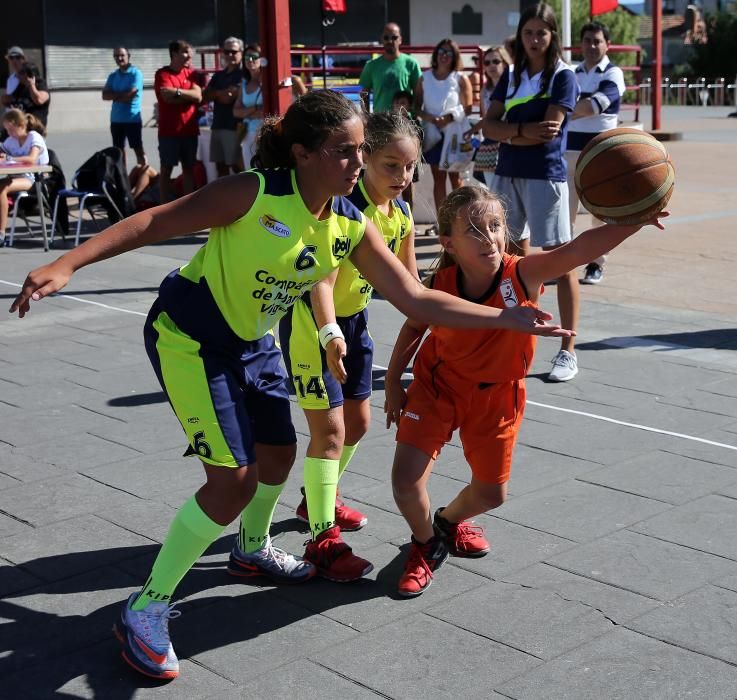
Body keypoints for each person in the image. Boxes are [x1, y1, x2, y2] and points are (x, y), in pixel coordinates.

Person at [10, 90, 570, 681]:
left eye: (360, 152)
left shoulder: (348, 222)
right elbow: (155, 220)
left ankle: (251, 550)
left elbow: (414, 295)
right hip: (191, 337)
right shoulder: (253, 192)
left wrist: (504, 316)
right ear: (302, 154)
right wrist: (68, 263)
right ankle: (145, 606)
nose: (357, 163)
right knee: (231, 485)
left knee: (278, 456)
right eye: (345, 152)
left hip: (254, 344)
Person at [384, 186, 667, 597]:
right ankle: (427, 544)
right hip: (437, 387)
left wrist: (633, 221)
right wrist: (393, 382)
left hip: (497, 395)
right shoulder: (438, 284)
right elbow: (414, 324)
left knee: (491, 494)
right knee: (405, 482)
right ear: (448, 242)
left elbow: (577, 251)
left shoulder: (523, 275)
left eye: (495, 226)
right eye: (475, 231)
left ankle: (446, 522)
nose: (490, 238)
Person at [278, 111, 421, 581]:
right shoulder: (346, 207)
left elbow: (411, 285)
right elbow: (323, 277)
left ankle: (316, 498)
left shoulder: (400, 215)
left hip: (355, 323)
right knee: (330, 433)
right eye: (391, 166)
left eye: (410, 167)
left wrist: (464, 295)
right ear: (367, 159)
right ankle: (321, 538)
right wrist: (328, 333)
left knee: (358, 424)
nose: (403, 177)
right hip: (315, 327)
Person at [482, 3, 581, 382]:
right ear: (520, 36)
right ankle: (515, 338)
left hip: (545, 175)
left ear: (552, 35)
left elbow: (550, 130)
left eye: (542, 32)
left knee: (561, 262)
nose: (535, 39)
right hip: (506, 173)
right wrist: (521, 133)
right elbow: (488, 127)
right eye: (528, 32)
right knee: (508, 260)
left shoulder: (562, 76)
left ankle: (568, 351)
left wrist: (508, 131)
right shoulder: (511, 73)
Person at [566, 21, 626, 285]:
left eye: (597, 41)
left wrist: (563, 107)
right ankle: (564, 265)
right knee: (564, 214)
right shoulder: (571, 73)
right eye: (587, 40)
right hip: (568, 152)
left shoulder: (614, 74)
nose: (591, 45)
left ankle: (596, 264)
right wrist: (569, 107)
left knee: (600, 215)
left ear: (607, 44)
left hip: (601, 154)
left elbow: (593, 107)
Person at [415, 38, 473, 222]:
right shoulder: (424, 78)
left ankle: (461, 220)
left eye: (448, 53)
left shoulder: (461, 78)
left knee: (456, 179)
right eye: (441, 52)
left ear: (455, 56)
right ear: (435, 55)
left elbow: (469, 107)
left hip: (454, 137)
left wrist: (449, 118)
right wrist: (432, 119)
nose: (444, 56)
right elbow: (417, 107)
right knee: (438, 178)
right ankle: (443, 222)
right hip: (433, 136)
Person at [154, 39, 202, 203]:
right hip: (169, 132)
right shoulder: (162, 74)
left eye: (190, 51)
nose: (189, 55)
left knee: (188, 168)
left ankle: (188, 207)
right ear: (174, 54)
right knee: (166, 169)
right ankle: (162, 207)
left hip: (189, 131)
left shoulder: (192, 73)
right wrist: (187, 96)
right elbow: (167, 98)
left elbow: (198, 96)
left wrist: (177, 93)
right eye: (185, 51)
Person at [464, 45, 512, 189]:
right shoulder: (486, 89)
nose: (491, 66)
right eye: (487, 62)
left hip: (511, 142)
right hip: (490, 145)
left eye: (496, 61)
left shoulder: (514, 86)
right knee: (493, 190)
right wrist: (472, 131)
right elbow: (487, 118)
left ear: (505, 62)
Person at [0, 108, 49, 246]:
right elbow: (2, 151)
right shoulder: (11, 140)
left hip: (35, 179)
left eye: (11, 130)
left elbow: (32, 159)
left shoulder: (34, 137)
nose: (9, 133)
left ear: (21, 125)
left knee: (2, 188)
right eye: (7, 130)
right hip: (17, 177)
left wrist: (9, 157)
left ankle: (1, 233)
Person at [359, 22, 422, 114]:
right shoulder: (371, 66)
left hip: (404, 121)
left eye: (394, 37)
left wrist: (416, 115)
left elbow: (418, 94)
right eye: (386, 38)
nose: (390, 41)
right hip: (381, 121)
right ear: (382, 40)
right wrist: (366, 117)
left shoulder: (411, 64)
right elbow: (363, 94)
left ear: (400, 39)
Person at [202, 37, 244, 177]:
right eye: (227, 52)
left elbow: (227, 98)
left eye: (233, 51)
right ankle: (225, 196)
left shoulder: (244, 74)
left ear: (241, 52)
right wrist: (222, 93)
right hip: (218, 124)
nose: (230, 55)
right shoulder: (219, 75)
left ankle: (244, 196)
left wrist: (216, 94)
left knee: (237, 165)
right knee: (220, 166)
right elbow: (205, 96)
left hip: (235, 126)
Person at [102, 47, 146, 169]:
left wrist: (115, 96)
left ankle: (144, 175)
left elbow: (130, 96)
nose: (119, 58)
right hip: (116, 120)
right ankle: (124, 179)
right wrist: (122, 96)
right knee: (119, 151)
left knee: (138, 149)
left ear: (128, 56)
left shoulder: (136, 73)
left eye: (122, 55)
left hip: (132, 119)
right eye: (116, 56)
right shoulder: (112, 75)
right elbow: (104, 95)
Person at [1, 48, 51, 128]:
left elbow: (39, 100)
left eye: (17, 57)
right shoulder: (17, 83)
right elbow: (10, 100)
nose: (14, 60)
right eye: (11, 58)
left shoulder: (40, 84)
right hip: (18, 128)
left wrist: (31, 85)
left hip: (35, 129)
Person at [233, 43, 264, 169]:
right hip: (247, 134)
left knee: (265, 171)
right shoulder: (244, 85)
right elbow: (235, 112)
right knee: (250, 172)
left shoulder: (267, 81)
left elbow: (266, 111)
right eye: (246, 57)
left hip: (264, 134)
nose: (250, 60)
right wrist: (256, 108)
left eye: (254, 56)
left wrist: (246, 112)